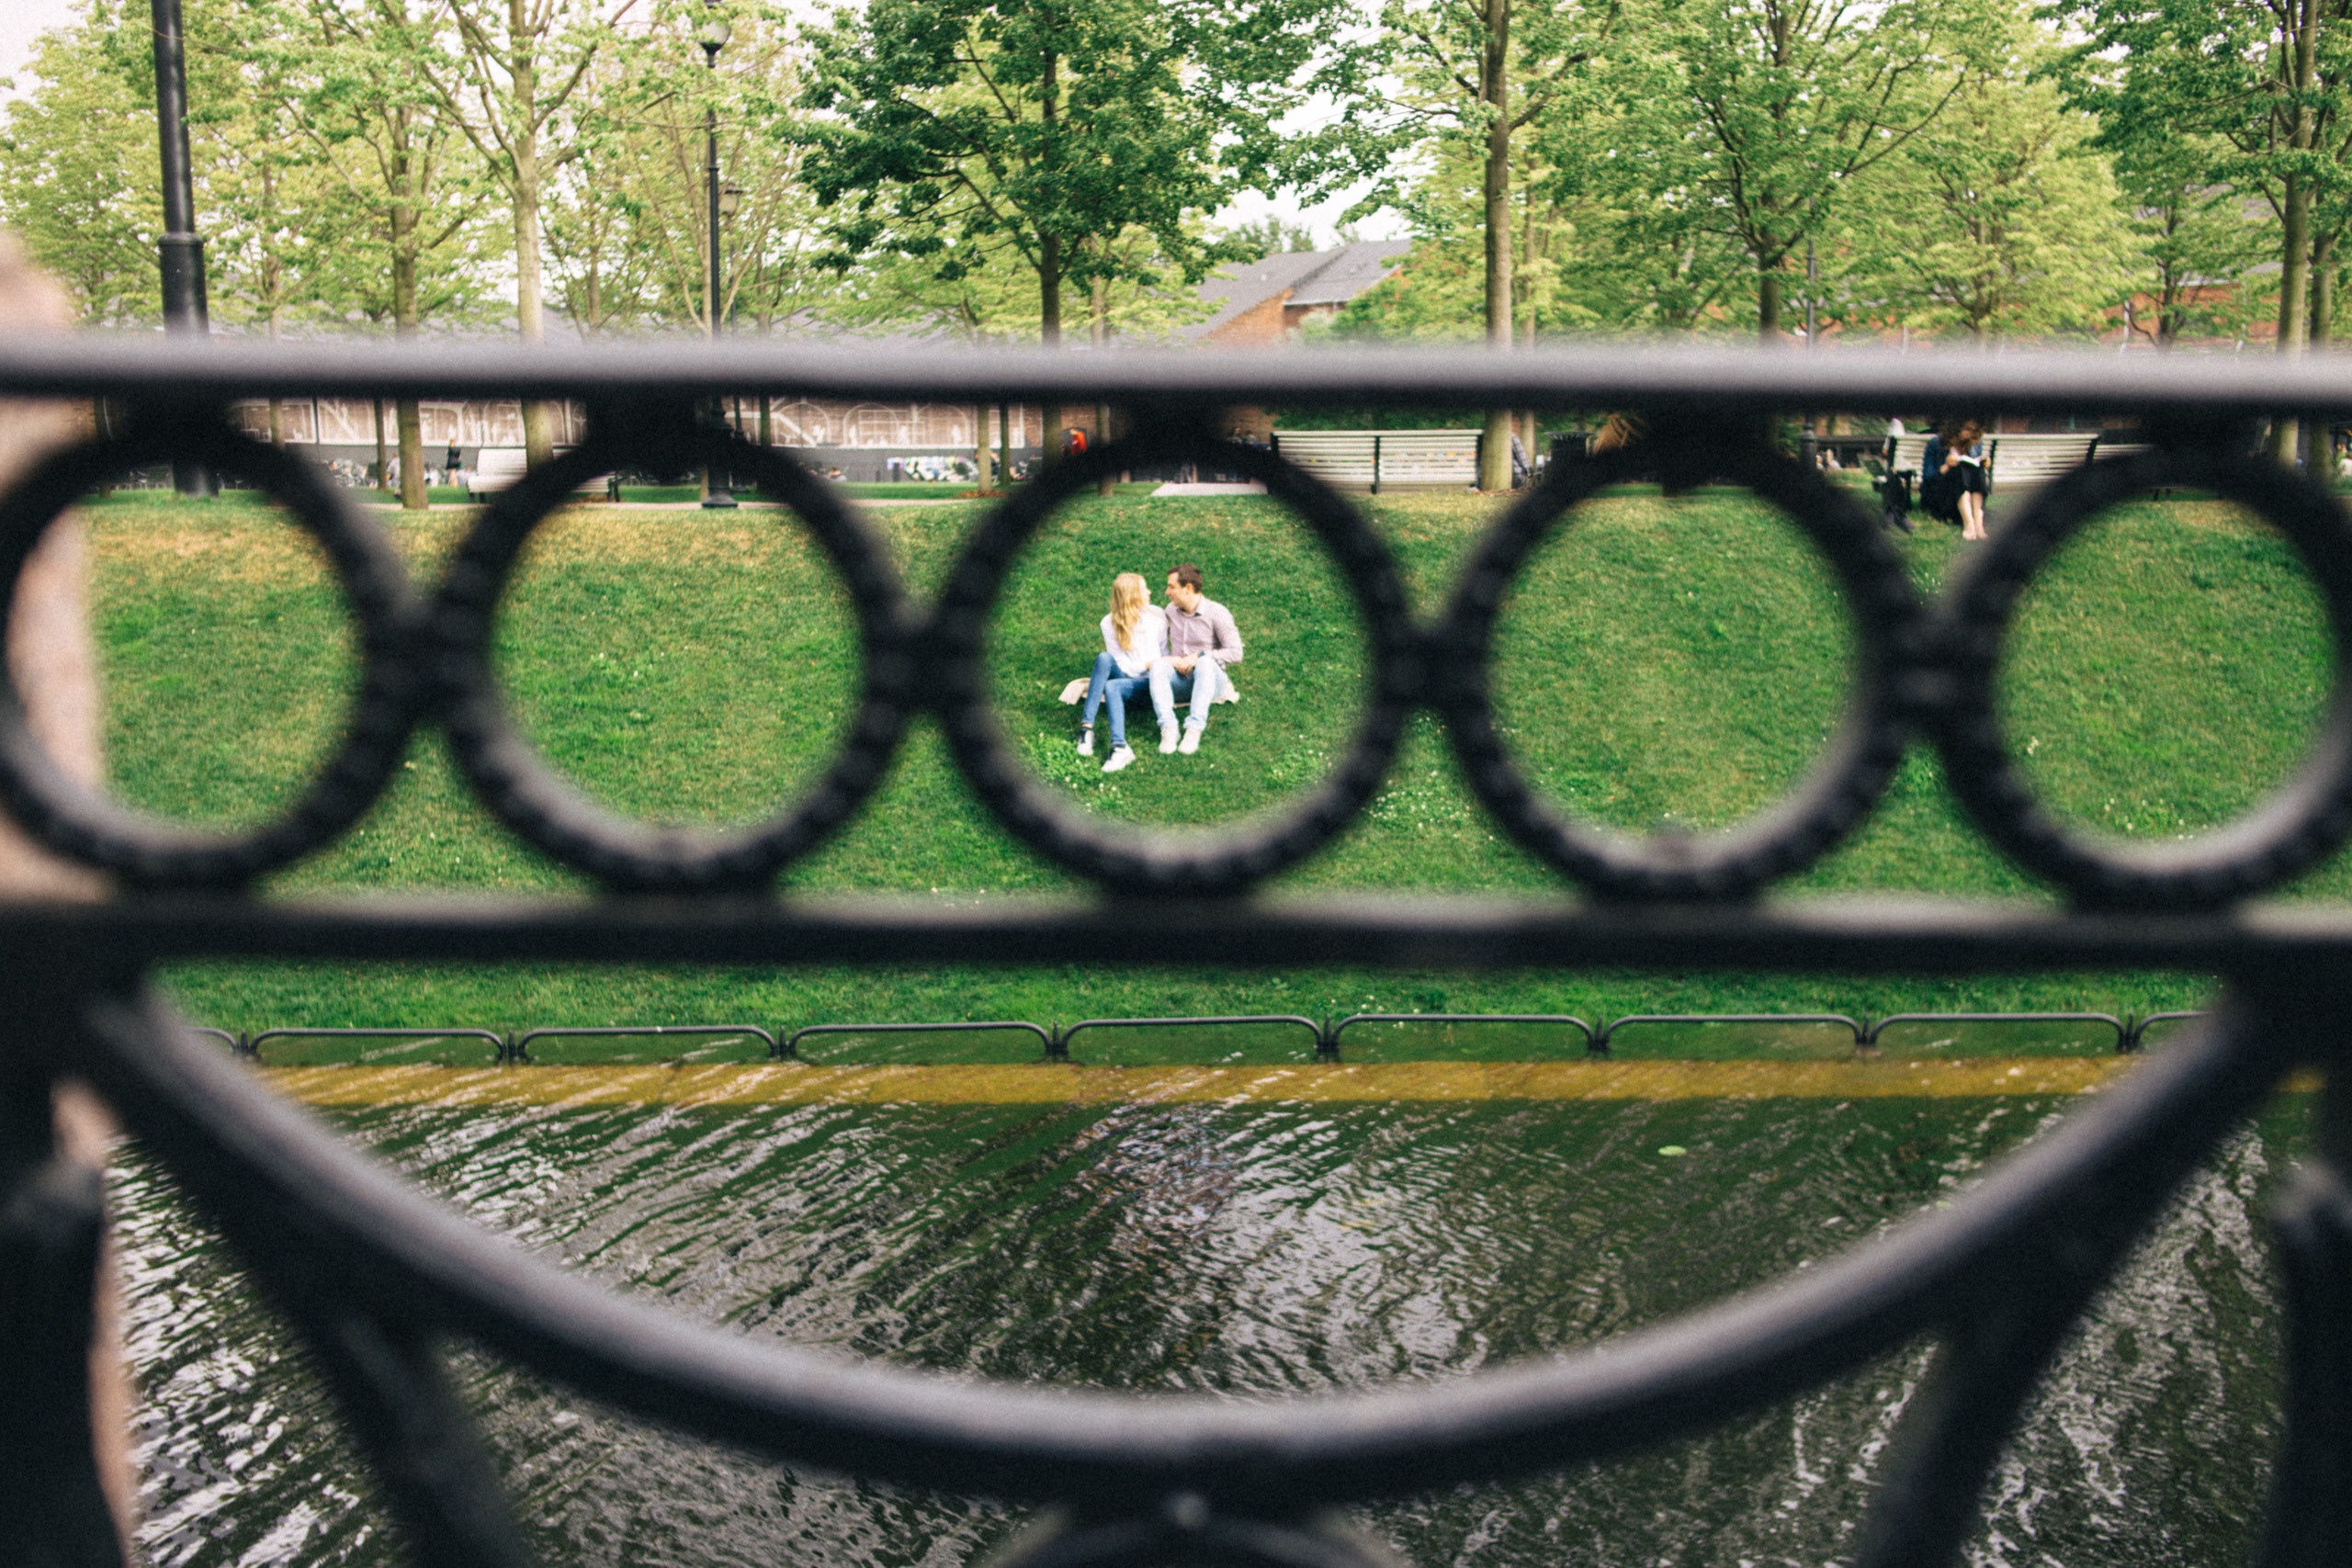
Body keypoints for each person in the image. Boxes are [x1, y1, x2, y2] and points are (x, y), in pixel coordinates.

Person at [1149, 562, 1243, 756]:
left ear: (1188, 588)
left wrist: (1199, 656)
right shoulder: (1170, 611)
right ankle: (1169, 728)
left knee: (1205, 662)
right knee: (1158, 666)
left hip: (1211, 682)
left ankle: (1193, 730)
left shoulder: (1217, 613)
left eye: (1171, 587)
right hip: (1181, 681)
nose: (1167, 592)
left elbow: (1236, 652)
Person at [1078, 572, 1166, 773]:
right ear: (1132, 595)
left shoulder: (1157, 617)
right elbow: (1120, 663)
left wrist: (1155, 666)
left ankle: (1119, 747)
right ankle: (1086, 729)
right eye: (1144, 589)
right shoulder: (1108, 623)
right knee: (1103, 658)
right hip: (1127, 675)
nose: (1149, 592)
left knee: (1111, 686)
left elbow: (1165, 656)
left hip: (1150, 683)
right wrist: (1147, 664)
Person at [1922, 417, 1989, 541]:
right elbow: (1927, 477)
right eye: (1967, 429)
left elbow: (1974, 473)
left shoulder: (1974, 444)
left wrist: (1984, 464)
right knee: (1959, 469)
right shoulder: (1936, 444)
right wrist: (1946, 466)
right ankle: (1968, 523)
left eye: (1974, 430)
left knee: (1978, 468)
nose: (1970, 433)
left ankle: (1977, 521)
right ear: (1956, 427)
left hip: (1968, 499)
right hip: (1942, 497)